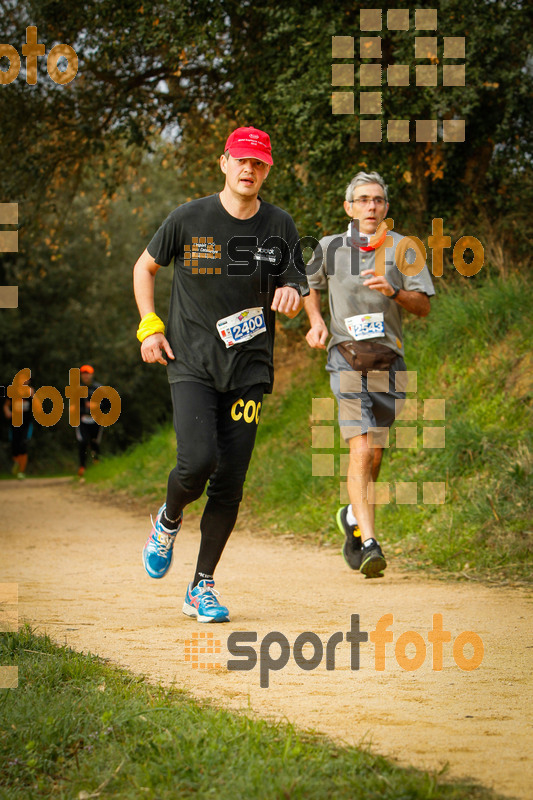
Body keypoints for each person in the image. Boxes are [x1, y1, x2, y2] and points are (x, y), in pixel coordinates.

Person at [133, 125, 308, 622]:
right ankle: (168, 520)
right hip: (191, 363)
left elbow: (296, 283)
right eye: (241, 161)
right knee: (197, 463)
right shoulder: (188, 218)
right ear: (225, 163)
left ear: (266, 170)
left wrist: (293, 296)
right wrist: (149, 327)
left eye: (259, 163)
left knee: (230, 481)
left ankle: (201, 586)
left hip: (250, 367)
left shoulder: (280, 226)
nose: (249, 170)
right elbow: (144, 268)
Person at [304, 171, 435, 578]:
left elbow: (424, 307)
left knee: (374, 454)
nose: (370, 207)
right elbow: (309, 285)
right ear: (349, 207)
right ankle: (370, 541)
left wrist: (394, 292)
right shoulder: (328, 247)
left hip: (389, 359)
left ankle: (352, 516)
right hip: (344, 355)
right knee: (360, 448)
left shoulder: (404, 249)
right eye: (362, 200)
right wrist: (315, 322)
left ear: (386, 208)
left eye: (377, 200)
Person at [3, 371, 41, 479]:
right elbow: (6, 406)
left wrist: (33, 395)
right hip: (14, 422)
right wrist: (7, 412)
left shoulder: (30, 392)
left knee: (23, 445)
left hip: (27, 423)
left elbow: (38, 407)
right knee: (15, 446)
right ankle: (16, 463)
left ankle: (21, 471)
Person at [71, 364, 104, 478]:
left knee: (95, 442)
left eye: (87, 373)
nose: (85, 376)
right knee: (83, 442)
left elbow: (107, 404)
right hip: (82, 420)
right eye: (83, 374)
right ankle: (82, 467)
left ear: (92, 374)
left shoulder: (98, 388)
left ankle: (97, 464)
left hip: (96, 420)